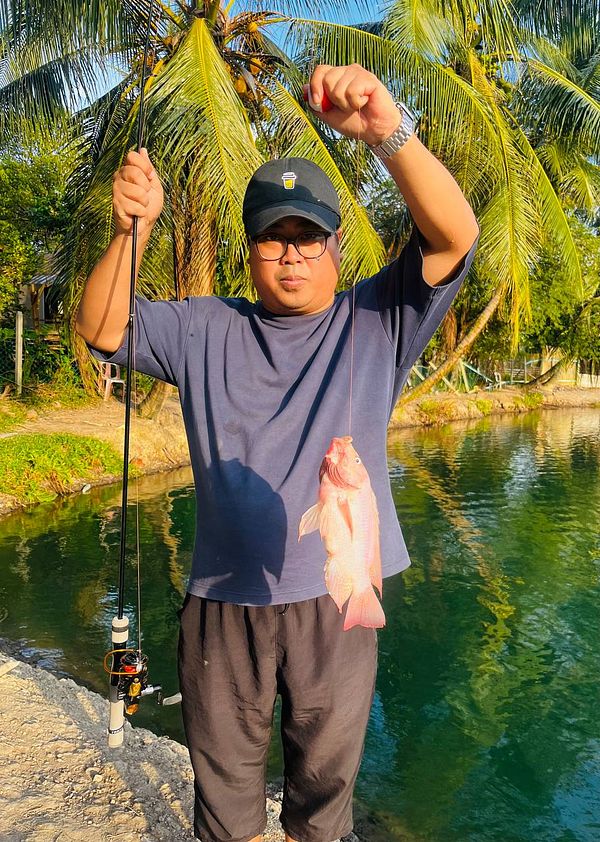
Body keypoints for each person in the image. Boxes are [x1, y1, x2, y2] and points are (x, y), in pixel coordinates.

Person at [76, 64, 478, 842]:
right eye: (272, 237)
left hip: (340, 602)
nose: (291, 255)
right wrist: (133, 228)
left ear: (335, 248)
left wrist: (386, 132)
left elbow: (455, 235)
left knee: (323, 803)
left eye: (308, 237)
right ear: (251, 251)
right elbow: (102, 325)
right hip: (223, 600)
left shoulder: (376, 320)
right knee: (226, 799)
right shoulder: (204, 329)